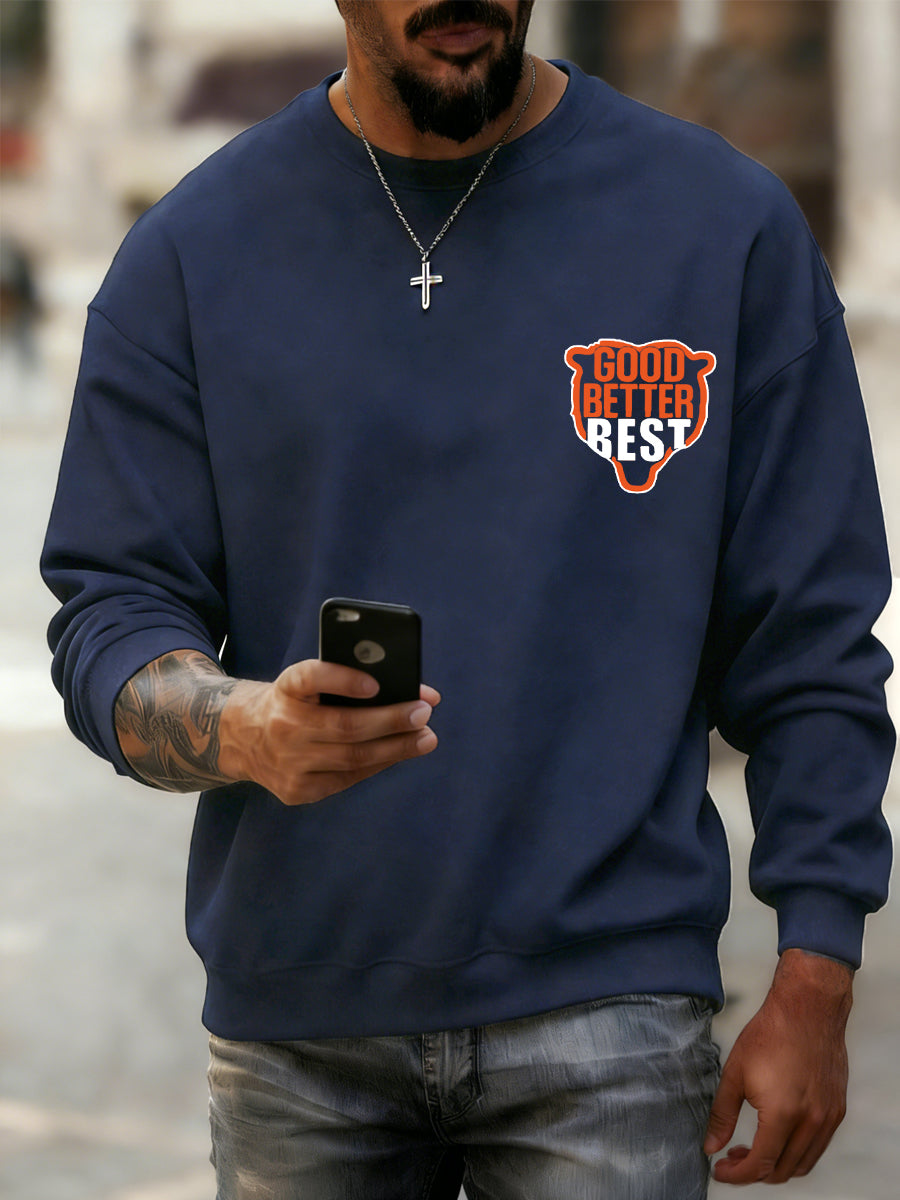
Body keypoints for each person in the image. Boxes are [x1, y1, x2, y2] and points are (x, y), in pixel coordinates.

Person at [41, 2, 893, 1196]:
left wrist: (817, 965)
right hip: (301, 1030)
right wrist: (244, 728)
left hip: (612, 1006)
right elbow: (111, 609)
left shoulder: (718, 227)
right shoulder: (194, 251)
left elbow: (810, 635)